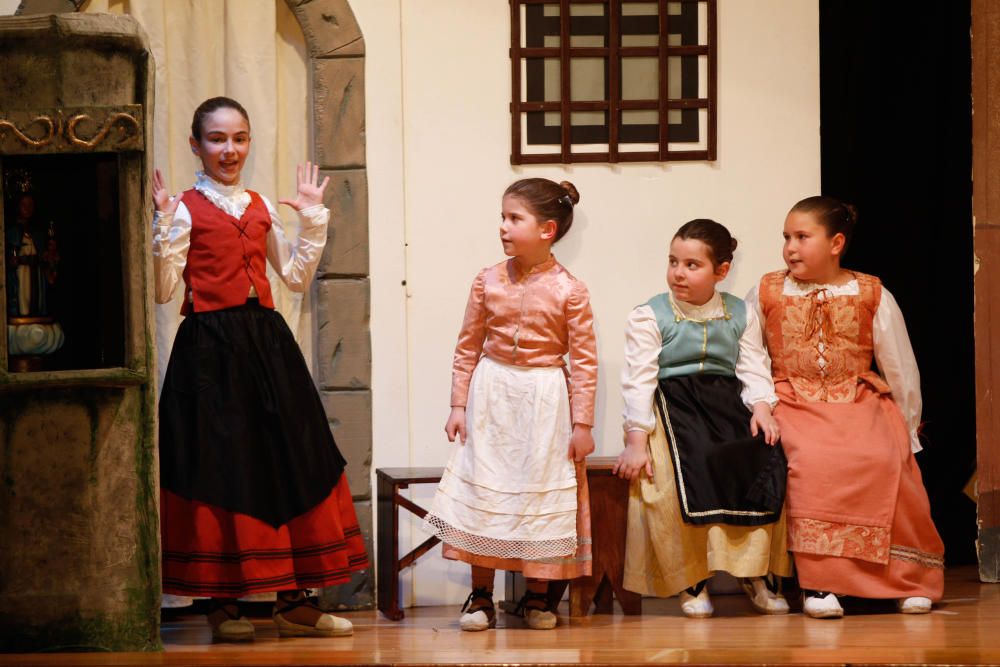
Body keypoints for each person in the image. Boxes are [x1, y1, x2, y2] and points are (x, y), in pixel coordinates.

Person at [152, 96, 368, 641]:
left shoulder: (258, 204)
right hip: (209, 351)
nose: (230, 150)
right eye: (218, 139)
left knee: (291, 456)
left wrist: (314, 219)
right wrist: (161, 227)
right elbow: (162, 290)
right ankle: (221, 604)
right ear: (196, 145)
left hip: (267, 345)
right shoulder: (182, 208)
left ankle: (295, 601)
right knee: (220, 464)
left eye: (240, 138)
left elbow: (293, 277)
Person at [747, 195, 944, 619]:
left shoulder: (871, 292)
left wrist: (907, 428)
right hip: (794, 399)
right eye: (786, 237)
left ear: (836, 243)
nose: (790, 247)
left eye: (802, 237)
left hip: (857, 397)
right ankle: (821, 584)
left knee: (884, 456)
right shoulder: (767, 290)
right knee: (814, 461)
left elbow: (899, 365)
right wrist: (762, 403)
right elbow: (751, 356)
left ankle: (904, 579)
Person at [422, 178, 597, 631]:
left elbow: (584, 361)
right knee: (486, 489)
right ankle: (480, 596)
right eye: (502, 216)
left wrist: (583, 424)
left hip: (544, 400)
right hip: (492, 395)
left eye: (514, 218)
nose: (503, 226)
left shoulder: (570, 290)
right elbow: (467, 346)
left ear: (548, 229)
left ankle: (538, 598)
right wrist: (458, 404)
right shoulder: (487, 280)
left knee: (537, 492)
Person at [614, 219, 792, 618]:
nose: (678, 272)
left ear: (721, 271)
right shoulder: (650, 315)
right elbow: (639, 380)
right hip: (674, 401)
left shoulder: (740, 312)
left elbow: (752, 367)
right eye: (674, 261)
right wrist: (636, 440)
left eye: (692, 264)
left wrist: (762, 407)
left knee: (762, 455)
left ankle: (755, 571)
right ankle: (692, 576)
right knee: (683, 468)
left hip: (727, 400)